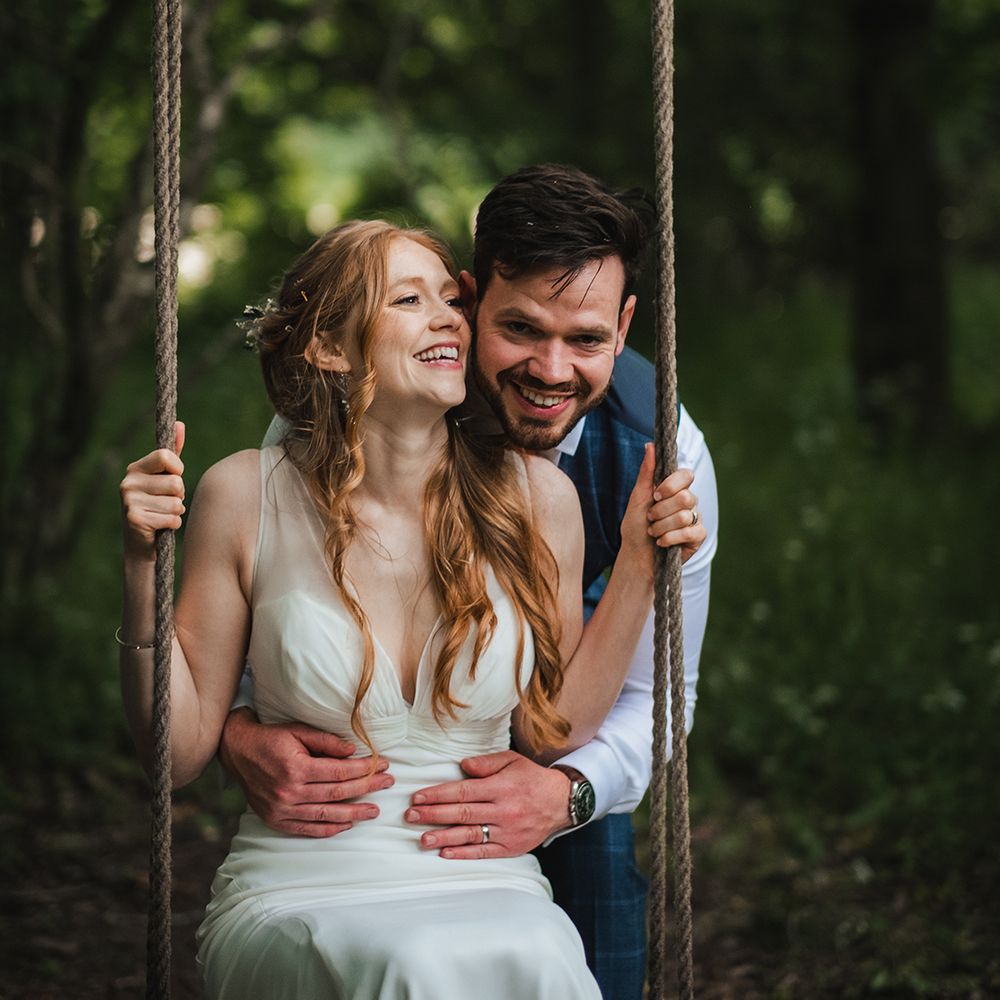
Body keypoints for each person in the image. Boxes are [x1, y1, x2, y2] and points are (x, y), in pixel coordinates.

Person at [118, 219, 694, 998]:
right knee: (413, 966)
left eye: (451, 301)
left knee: (545, 956)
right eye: (408, 299)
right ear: (328, 345)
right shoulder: (243, 492)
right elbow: (176, 754)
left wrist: (637, 564)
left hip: (489, 885)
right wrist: (143, 563)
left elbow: (552, 733)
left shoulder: (538, 501)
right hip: (306, 886)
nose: (449, 317)